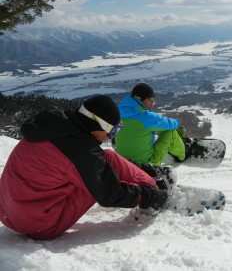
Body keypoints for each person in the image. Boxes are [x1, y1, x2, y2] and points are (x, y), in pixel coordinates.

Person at [0, 95, 168, 240]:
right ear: (96, 123)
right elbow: (109, 193)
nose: (110, 136)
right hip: (39, 225)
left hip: (7, 212)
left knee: (105, 157)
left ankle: (148, 179)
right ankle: (153, 190)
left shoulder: (56, 127)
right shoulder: (79, 151)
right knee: (101, 168)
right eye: (112, 131)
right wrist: (145, 196)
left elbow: (94, 161)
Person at [114, 83, 192, 166]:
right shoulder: (146, 117)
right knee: (171, 133)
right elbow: (168, 123)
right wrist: (178, 124)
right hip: (144, 164)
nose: (152, 103)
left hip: (122, 162)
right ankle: (182, 156)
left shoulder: (117, 113)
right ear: (139, 98)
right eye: (150, 99)